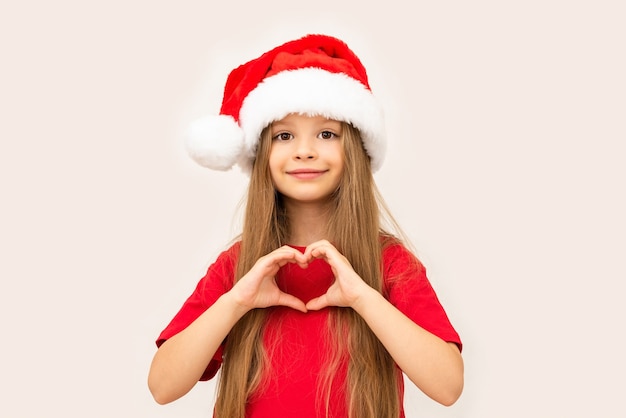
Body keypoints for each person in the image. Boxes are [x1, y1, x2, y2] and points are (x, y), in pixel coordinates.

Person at [148, 34, 463, 418]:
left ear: (356, 151)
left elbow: (447, 387)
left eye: (326, 134)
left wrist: (364, 298)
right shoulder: (239, 265)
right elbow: (163, 387)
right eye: (284, 135)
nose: (304, 150)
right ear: (263, 154)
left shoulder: (390, 262)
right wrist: (236, 302)